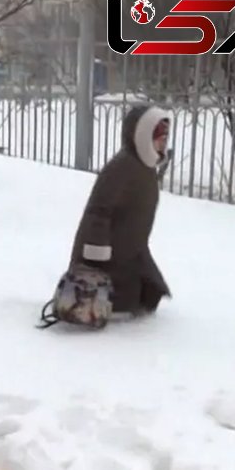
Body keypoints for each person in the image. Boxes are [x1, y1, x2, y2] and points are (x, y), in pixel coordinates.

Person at [68, 103, 172, 318]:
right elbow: (99, 209)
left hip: (129, 246)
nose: (163, 143)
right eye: (159, 137)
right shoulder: (123, 167)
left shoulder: (145, 167)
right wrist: (97, 248)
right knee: (110, 293)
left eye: (165, 138)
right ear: (143, 136)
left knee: (146, 293)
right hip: (107, 249)